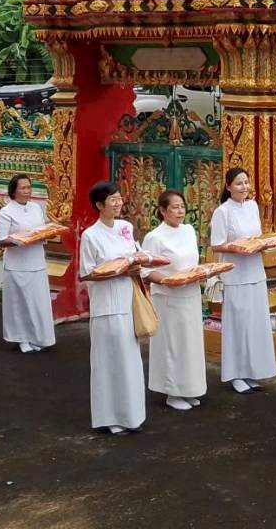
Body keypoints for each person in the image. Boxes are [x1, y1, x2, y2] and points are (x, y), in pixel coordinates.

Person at [78, 180, 145, 434]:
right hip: (106, 304)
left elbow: (136, 255)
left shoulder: (125, 228)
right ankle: (112, 418)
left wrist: (136, 267)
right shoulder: (90, 235)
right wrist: (115, 270)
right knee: (109, 361)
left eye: (119, 198)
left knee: (130, 361)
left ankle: (133, 415)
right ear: (99, 205)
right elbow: (87, 273)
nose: (118, 203)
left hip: (127, 299)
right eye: (112, 200)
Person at [209, 168, 276, 393]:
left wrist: (261, 244)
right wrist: (238, 247)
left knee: (255, 325)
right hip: (235, 273)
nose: (244, 187)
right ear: (228, 187)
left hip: (255, 270)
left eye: (246, 182)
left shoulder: (252, 206)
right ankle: (235, 375)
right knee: (238, 325)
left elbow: (256, 237)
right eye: (239, 183)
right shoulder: (223, 212)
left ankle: (251, 372)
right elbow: (217, 245)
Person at [141, 189, 206, 411]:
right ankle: (172, 391)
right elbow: (145, 270)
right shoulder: (155, 237)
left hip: (190, 293)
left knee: (190, 343)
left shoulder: (188, 231)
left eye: (182, 207)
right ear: (162, 210)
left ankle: (189, 388)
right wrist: (167, 280)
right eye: (174, 207)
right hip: (168, 297)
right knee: (172, 343)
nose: (180, 211)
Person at [0, 174, 56, 354]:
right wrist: (20, 240)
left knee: (38, 303)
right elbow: (1, 241)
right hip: (17, 265)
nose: (27, 191)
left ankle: (38, 337)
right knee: (20, 304)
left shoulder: (36, 208)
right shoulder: (6, 212)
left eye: (29, 187)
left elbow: (41, 230)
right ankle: (22, 338)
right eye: (23, 188)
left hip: (36, 261)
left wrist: (46, 233)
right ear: (13, 191)